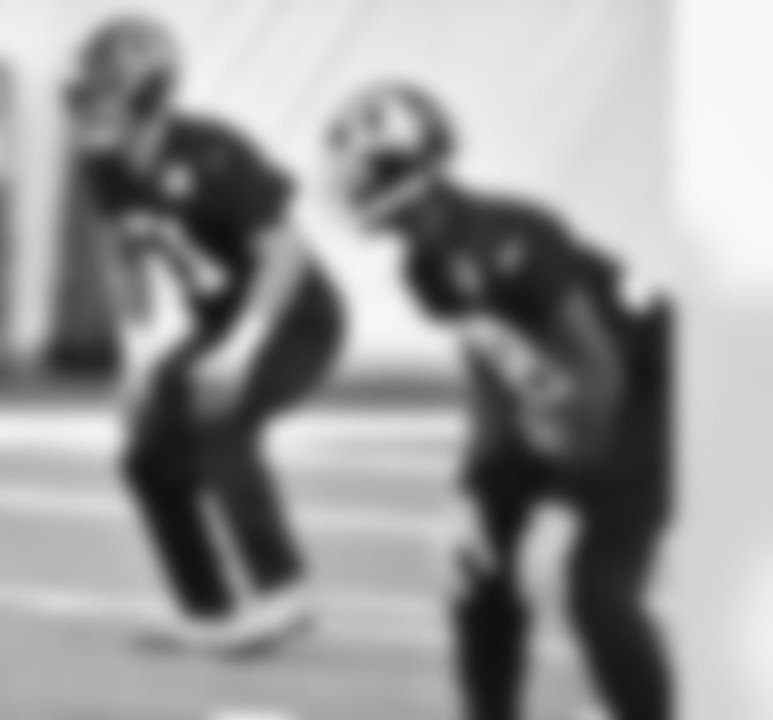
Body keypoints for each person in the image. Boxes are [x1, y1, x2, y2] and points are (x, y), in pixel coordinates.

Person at [327, 83, 673, 720]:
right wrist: (471, 490)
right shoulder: (425, 268)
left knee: (596, 591)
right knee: (478, 568)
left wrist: (564, 502)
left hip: (651, 398)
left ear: (410, 167)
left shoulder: (512, 235)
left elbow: (600, 375)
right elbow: (494, 373)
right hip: (581, 400)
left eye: (362, 168)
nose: (346, 183)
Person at [67, 16, 347, 655]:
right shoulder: (105, 163)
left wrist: (240, 352)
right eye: (88, 90)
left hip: (294, 318)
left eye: (105, 90)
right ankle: (207, 608)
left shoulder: (212, 151)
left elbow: (284, 253)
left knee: (220, 419)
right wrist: (138, 360)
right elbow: (124, 254)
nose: (89, 104)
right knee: (146, 457)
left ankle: (285, 590)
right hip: (220, 322)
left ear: (149, 92)